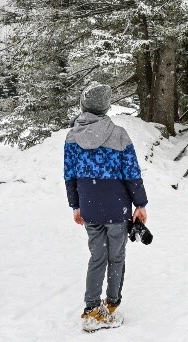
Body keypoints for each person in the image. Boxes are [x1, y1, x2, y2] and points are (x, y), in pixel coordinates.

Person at [63, 82, 149, 332]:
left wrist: (75, 205)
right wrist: (140, 204)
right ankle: (110, 305)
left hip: (90, 208)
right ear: (106, 107)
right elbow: (132, 173)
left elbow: (69, 176)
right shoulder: (119, 134)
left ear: (84, 104)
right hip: (117, 209)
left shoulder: (72, 136)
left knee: (96, 257)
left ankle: (91, 309)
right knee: (116, 256)